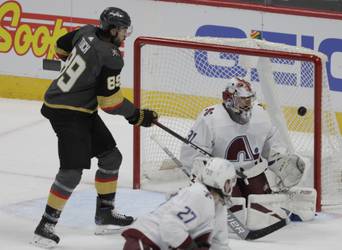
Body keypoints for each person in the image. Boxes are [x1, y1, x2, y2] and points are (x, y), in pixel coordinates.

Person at [32, 7, 158, 248]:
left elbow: (60, 47)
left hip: (78, 107)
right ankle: (46, 225)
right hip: (67, 112)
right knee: (72, 171)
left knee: (111, 157)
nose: (125, 34)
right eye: (122, 30)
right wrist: (137, 115)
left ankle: (105, 214)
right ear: (111, 30)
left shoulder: (86, 31)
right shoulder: (110, 56)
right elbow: (110, 103)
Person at [180, 77, 316, 230]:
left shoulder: (260, 113)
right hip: (222, 176)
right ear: (228, 99)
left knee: (265, 213)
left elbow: (273, 145)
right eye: (241, 101)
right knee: (237, 214)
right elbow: (191, 155)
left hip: (252, 173)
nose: (247, 105)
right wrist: (201, 177)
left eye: (249, 100)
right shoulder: (210, 118)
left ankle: (284, 209)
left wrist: (280, 160)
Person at [122, 157, 236, 250]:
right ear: (222, 181)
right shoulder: (199, 194)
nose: (231, 187)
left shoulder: (218, 206)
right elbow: (170, 225)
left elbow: (219, 244)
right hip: (145, 241)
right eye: (230, 183)